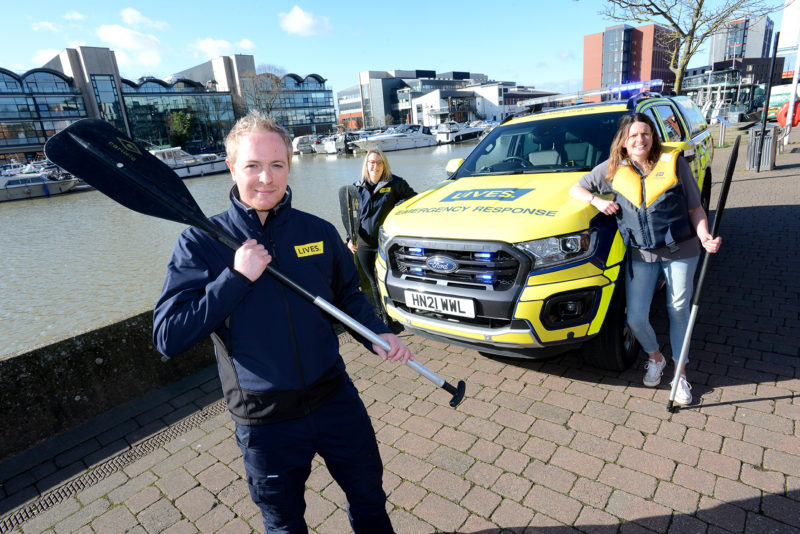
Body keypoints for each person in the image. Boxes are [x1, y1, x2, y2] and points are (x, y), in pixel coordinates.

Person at [153, 110, 413, 533]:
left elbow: (348, 294)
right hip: (264, 420)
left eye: (277, 165)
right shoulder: (200, 242)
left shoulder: (319, 231)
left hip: (335, 399)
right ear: (231, 167)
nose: (266, 179)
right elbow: (168, 336)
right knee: (284, 522)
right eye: (253, 166)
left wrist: (376, 333)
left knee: (369, 497)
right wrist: (234, 278)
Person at [568, 112, 721, 405]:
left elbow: (695, 208)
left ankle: (680, 376)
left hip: (682, 249)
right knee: (635, 317)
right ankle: (656, 357)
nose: (640, 139)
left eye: (645, 134)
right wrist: (598, 200)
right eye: (633, 135)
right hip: (641, 252)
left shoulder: (673, 163)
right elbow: (577, 187)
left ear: (653, 137)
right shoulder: (613, 169)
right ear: (623, 142)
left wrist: (704, 236)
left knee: (677, 309)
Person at [345, 148, 416, 322]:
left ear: (384, 165)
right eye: (371, 163)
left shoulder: (395, 184)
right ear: (366, 165)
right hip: (362, 242)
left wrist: (397, 206)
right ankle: (379, 316)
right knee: (369, 281)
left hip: (385, 242)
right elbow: (350, 215)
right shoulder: (356, 188)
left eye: (378, 163)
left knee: (384, 278)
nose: (374, 166)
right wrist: (349, 238)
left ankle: (392, 315)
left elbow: (414, 200)